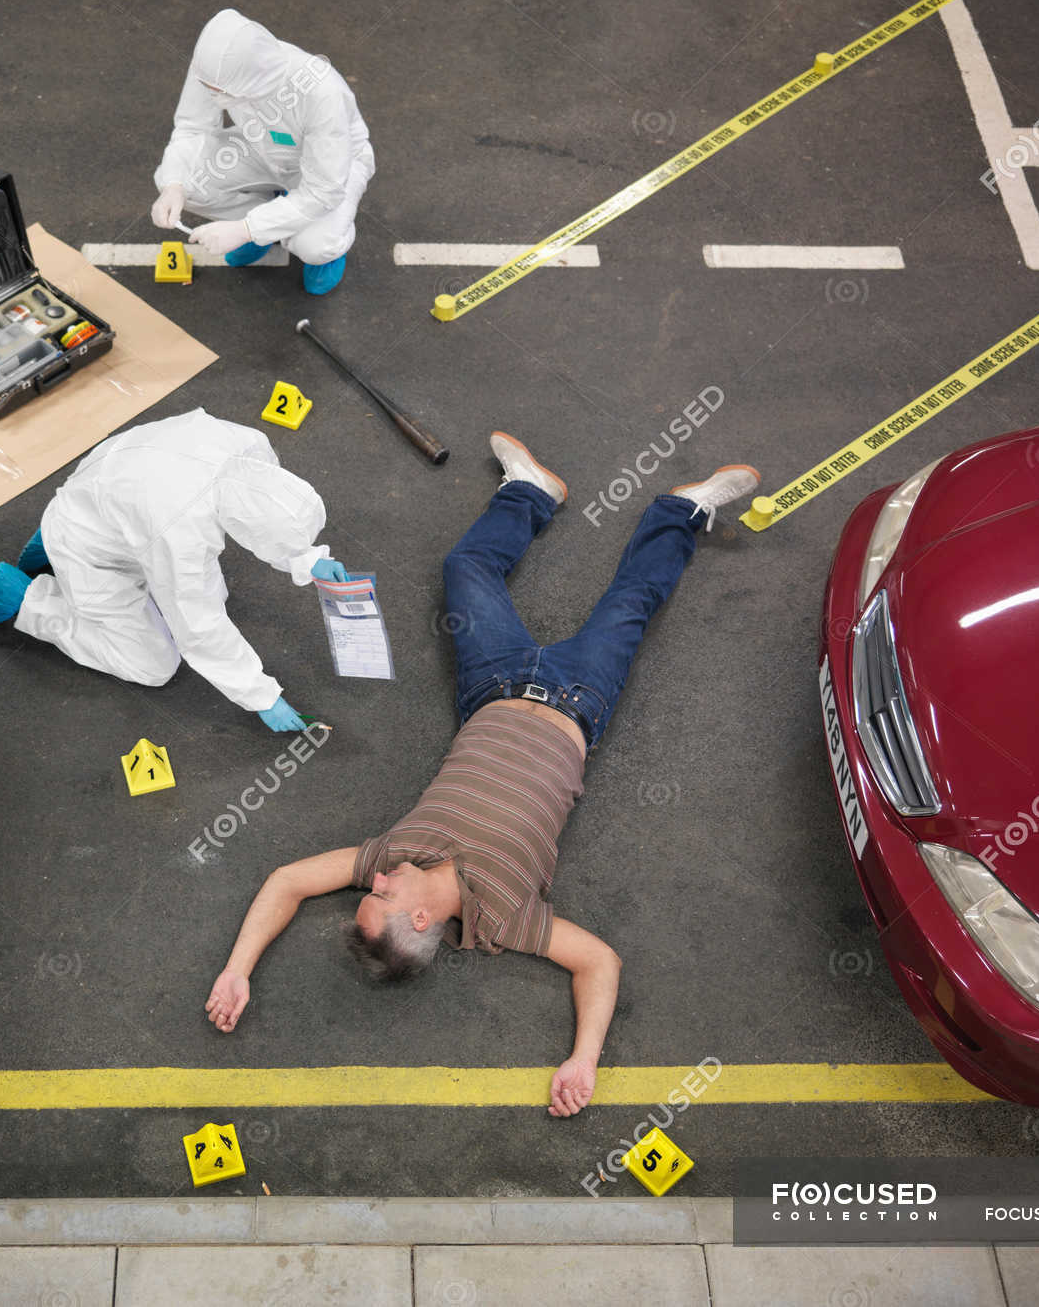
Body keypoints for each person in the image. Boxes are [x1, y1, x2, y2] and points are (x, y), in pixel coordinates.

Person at [203, 432, 760, 1114]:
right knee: (634, 600)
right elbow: (598, 962)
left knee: (465, 567)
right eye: (379, 895)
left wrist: (238, 970)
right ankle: (683, 511)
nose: (371, 879)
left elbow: (286, 881)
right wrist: (583, 1057)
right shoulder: (504, 920)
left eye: (368, 888)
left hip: (492, 688)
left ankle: (529, 492)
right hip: (577, 699)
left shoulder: (394, 854)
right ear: (416, 915)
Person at [0, 408, 347, 732]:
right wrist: (262, 697)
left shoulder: (249, 447)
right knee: (154, 664)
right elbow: (199, 629)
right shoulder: (181, 529)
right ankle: (28, 599)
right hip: (95, 551)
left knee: (212, 592)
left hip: (102, 495)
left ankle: (64, 534)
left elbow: (262, 510)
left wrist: (308, 559)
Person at [151, 9, 375, 296]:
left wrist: (244, 229)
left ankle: (324, 250)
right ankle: (263, 226)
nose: (215, 97)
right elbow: (192, 127)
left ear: (253, 79)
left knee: (315, 245)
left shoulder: (321, 93)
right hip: (260, 146)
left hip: (332, 168)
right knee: (186, 180)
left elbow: (323, 191)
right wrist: (173, 185)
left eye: (222, 92)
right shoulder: (214, 68)